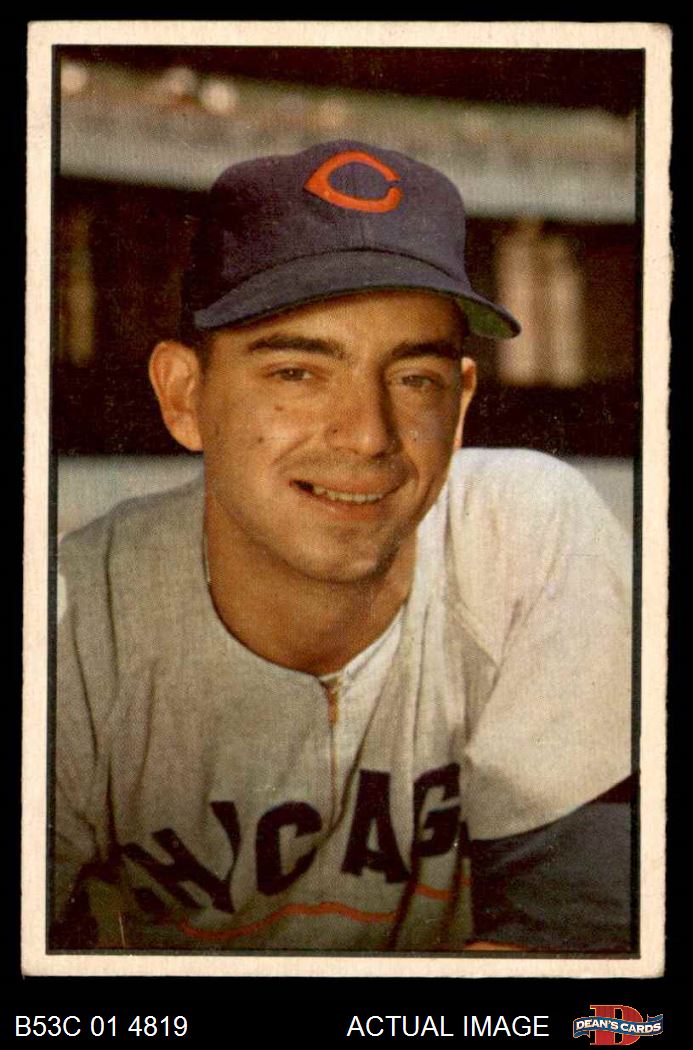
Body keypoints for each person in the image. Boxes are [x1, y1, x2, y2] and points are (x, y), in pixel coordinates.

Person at [53, 141, 633, 953]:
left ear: (460, 407)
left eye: (414, 379)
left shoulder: (523, 533)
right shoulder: (74, 620)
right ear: (184, 397)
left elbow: (574, 943)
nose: (367, 435)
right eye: (297, 372)